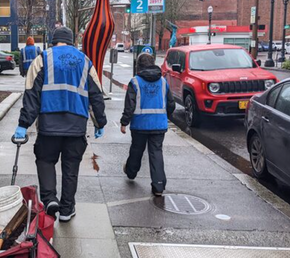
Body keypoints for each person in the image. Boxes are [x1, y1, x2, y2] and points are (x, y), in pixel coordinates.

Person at [13, 27, 107, 222]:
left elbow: (31, 94)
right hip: (76, 126)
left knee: (45, 161)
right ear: (71, 41)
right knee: (71, 167)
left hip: (49, 125)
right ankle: (66, 209)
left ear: (53, 41)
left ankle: (49, 200)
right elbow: (96, 94)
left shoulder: (42, 59)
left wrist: (24, 124)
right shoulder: (85, 62)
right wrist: (100, 122)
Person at [120, 53, 175, 196]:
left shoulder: (135, 82)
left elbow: (130, 106)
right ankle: (158, 186)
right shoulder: (163, 81)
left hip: (140, 124)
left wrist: (124, 122)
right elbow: (171, 104)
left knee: (136, 149)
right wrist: (165, 117)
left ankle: (131, 172)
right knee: (156, 153)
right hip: (159, 125)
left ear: (138, 65)